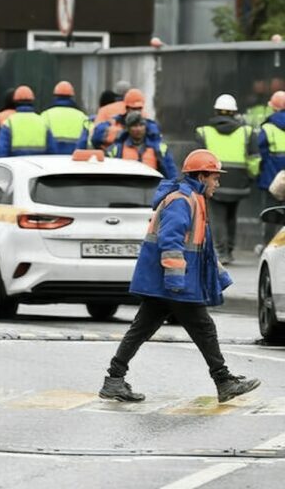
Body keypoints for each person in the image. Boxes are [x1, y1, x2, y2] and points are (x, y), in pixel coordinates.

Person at [98, 149, 261, 404]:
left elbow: (201, 249)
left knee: (141, 329)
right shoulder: (182, 200)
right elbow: (171, 241)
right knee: (204, 328)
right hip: (174, 283)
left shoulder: (193, 199)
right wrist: (175, 280)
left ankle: (114, 380)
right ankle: (224, 381)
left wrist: (220, 276)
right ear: (202, 175)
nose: (217, 183)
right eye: (215, 178)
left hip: (167, 282)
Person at [195, 93, 259, 264]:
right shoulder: (247, 132)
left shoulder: (204, 132)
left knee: (218, 217)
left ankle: (222, 252)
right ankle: (229, 249)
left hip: (214, 181)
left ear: (216, 111)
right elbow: (254, 161)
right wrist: (250, 177)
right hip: (239, 184)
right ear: (235, 112)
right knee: (232, 215)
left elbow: (199, 158)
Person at [108, 111, 177, 179]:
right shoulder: (117, 149)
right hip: (126, 187)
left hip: (153, 187)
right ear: (128, 128)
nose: (138, 129)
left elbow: (171, 174)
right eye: (134, 126)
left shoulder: (159, 148)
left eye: (141, 125)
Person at [91, 88, 159, 150]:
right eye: (133, 108)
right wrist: (125, 134)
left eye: (139, 109)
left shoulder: (150, 126)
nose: (136, 112)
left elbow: (156, 141)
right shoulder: (114, 121)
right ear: (127, 108)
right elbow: (96, 136)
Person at [0, 85, 52, 157]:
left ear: (15, 101)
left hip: (15, 167)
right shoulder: (43, 122)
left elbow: (1, 153)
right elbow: (52, 152)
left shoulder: (8, 123)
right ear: (32, 100)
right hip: (38, 167)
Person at [258, 91, 285, 247]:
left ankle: (269, 246)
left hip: (272, 179)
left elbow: (261, 153)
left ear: (274, 108)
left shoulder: (268, 127)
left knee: (271, 215)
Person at [41, 80, 89, 154]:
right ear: (72, 97)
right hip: (75, 161)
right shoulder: (82, 116)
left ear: (55, 96)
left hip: (51, 161)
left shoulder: (46, 115)